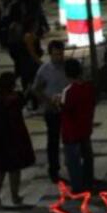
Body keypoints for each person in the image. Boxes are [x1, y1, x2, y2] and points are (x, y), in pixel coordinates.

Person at [0, 71, 34, 207]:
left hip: (0, 138)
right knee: (15, 168)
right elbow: (24, 101)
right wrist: (28, 90)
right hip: (16, 136)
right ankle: (15, 196)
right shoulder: (17, 98)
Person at [33, 40, 68, 182]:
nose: (59, 57)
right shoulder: (44, 70)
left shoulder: (67, 67)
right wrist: (48, 101)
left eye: (61, 54)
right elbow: (36, 89)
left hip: (67, 109)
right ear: (50, 54)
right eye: (55, 54)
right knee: (53, 141)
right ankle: (54, 169)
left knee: (70, 139)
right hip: (52, 110)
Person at [60, 58, 95, 192]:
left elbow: (66, 109)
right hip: (85, 127)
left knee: (73, 161)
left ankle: (78, 187)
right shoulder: (88, 87)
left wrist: (57, 103)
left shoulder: (69, 91)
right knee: (87, 157)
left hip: (72, 131)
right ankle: (88, 182)